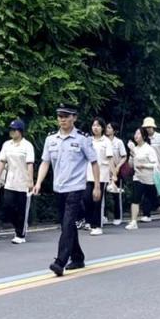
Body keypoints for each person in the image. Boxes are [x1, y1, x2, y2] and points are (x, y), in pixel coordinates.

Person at [32, 104, 100, 276]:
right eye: (60, 116)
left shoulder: (82, 139)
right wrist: (38, 182)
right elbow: (45, 162)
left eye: (66, 116)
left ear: (74, 118)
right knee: (66, 224)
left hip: (76, 188)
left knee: (68, 222)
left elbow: (94, 162)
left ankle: (60, 261)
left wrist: (97, 186)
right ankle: (77, 257)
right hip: (59, 188)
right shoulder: (51, 139)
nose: (62, 119)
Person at [0, 119, 35, 244]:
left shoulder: (27, 145)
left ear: (20, 131)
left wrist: (30, 181)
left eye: (14, 130)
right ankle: (15, 226)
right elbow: (2, 161)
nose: (12, 132)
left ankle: (20, 233)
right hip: (10, 181)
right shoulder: (7, 145)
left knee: (21, 209)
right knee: (8, 206)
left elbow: (29, 164)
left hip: (23, 182)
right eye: (11, 129)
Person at [125, 128, 160, 230]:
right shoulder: (135, 149)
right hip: (138, 177)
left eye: (138, 134)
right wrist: (132, 154)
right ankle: (133, 221)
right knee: (135, 198)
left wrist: (144, 165)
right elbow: (131, 165)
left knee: (154, 201)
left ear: (144, 136)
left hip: (149, 179)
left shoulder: (149, 149)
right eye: (135, 133)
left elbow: (155, 164)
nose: (136, 135)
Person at [84, 117, 113, 236]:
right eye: (93, 125)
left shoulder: (106, 142)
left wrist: (114, 175)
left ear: (102, 128)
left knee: (98, 201)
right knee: (86, 198)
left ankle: (97, 225)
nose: (95, 127)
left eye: (98, 126)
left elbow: (110, 159)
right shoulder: (88, 140)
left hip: (102, 175)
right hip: (88, 174)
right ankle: (90, 221)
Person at [104, 121, 127, 226]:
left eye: (109, 128)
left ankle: (118, 216)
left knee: (116, 195)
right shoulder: (103, 141)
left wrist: (117, 167)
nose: (107, 129)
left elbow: (124, 156)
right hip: (104, 171)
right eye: (107, 127)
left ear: (114, 130)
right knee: (102, 195)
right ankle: (102, 216)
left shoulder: (119, 142)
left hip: (115, 171)